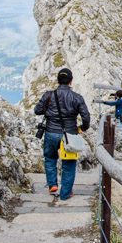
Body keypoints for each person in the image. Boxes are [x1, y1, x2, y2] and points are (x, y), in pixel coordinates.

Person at [34, 68, 90, 201]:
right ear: (71, 81)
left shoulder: (48, 95)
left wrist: (49, 110)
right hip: (69, 135)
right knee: (69, 163)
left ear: (58, 80)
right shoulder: (77, 97)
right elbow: (86, 117)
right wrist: (81, 128)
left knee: (50, 158)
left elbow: (37, 110)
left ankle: (53, 185)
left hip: (51, 132)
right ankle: (65, 194)